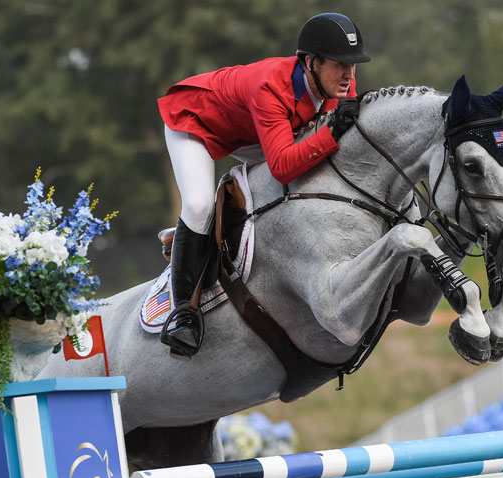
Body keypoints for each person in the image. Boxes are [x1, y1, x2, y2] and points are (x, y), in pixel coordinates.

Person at [157, 13, 370, 359]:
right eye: (340, 65)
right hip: (194, 122)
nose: (349, 75)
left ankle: (197, 235)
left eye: (353, 66)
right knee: (198, 205)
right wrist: (331, 133)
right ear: (311, 63)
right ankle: (182, 313)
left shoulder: (338, 86)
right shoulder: (272, 86)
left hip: (248, 131)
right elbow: (284, 167)